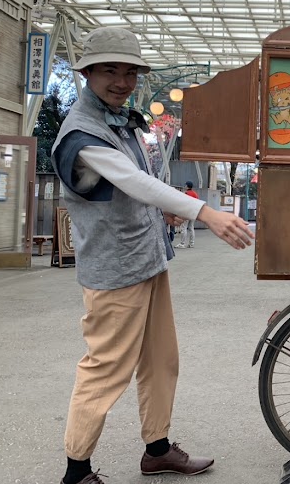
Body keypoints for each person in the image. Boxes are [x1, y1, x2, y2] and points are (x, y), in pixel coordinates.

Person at [51, 26, 254, 484]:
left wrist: (164, 215)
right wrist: (206, 212)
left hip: (145, 258)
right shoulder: (83, 131)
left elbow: (131, 190)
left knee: (161, 358)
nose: (121, 81)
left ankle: (157, 448)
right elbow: (132, 180)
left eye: (130, 72)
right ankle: (76, 471)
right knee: (105, 368)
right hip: (114, 269)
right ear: (86, 73)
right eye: (109, 71)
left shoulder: (118, 121)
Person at [175, 181, 199, 248]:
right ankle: (191, 243)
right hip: (194, 212)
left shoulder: (186, 193)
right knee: (191, 228)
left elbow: (183, 203)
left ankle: (182, 243)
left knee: (184, 228)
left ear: (187, 186)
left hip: (187, 212)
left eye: (185, 185)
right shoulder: (195, 194)